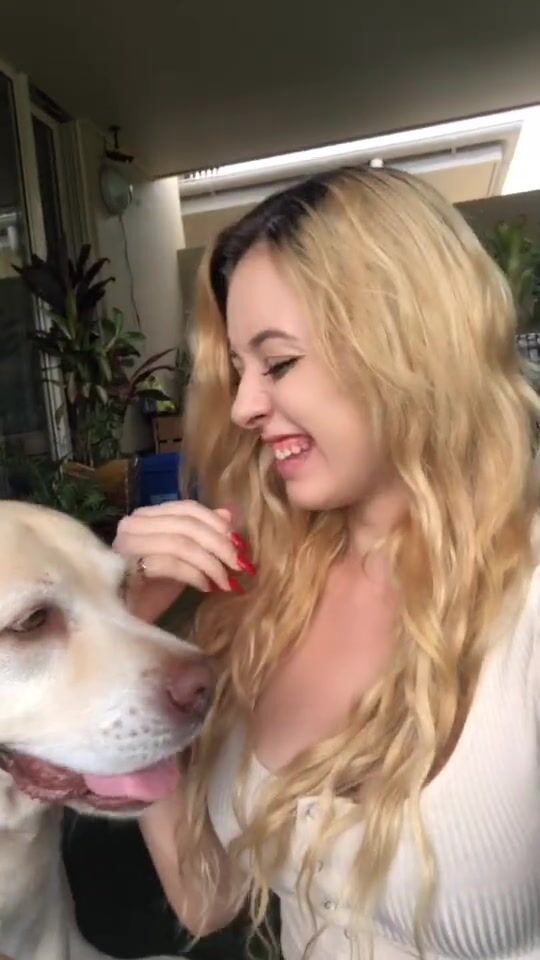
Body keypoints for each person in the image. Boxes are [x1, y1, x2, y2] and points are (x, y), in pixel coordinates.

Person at [113, 166, 540, 960]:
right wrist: (121, 635)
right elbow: (208, 899)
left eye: (277, 363)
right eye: (239, 370)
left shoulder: (527, 603)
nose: (245, 406)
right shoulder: (272, 595)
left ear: (409, 345)